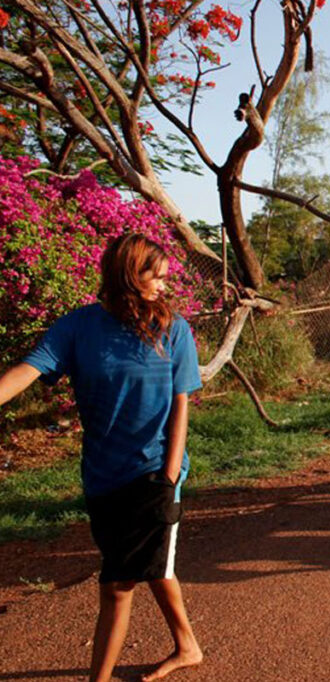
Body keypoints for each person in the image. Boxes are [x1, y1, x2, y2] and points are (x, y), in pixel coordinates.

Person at [0, 234, 203, 682]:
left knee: (117, 585)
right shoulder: (77, 327)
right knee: (147, 565)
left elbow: (181, 402)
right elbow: (29, 370)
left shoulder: (173, 329)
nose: (164, 287)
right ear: (130, 275)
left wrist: (169, 475)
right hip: (102, 475)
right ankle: (187, 645)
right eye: (157, 277)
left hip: (153, 471)